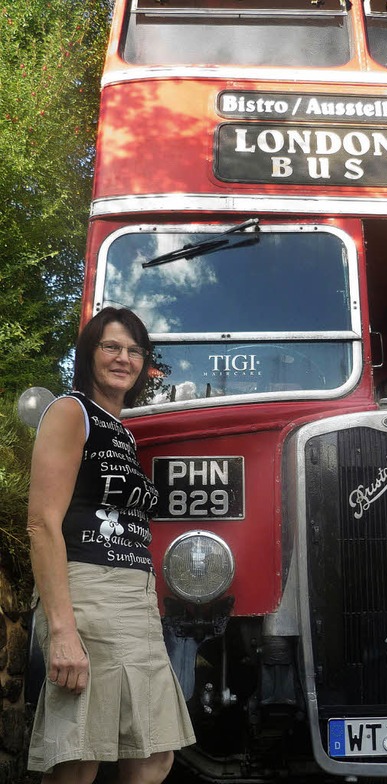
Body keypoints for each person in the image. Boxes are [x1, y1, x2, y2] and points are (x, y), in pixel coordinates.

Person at [26, 307, 195, 784]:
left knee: (152, 752)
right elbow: (41, 523)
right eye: (112, 347)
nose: (124, 358)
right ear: (89, 354)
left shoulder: (118, 429)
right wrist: (62, 630)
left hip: (133, 600)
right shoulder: (70, 411)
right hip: (89, 592)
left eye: (135, 350)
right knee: (80, 756)